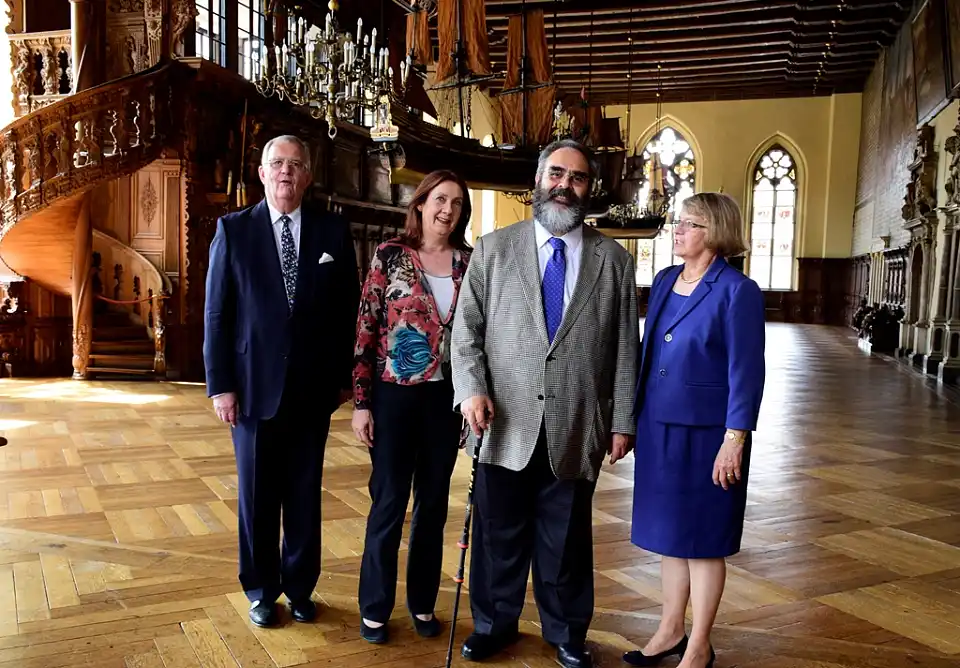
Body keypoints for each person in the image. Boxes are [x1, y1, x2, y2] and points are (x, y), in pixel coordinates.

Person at [451, 139, 639, 668]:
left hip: (577, 423)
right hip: (500, 421)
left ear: (590, 188)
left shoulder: (614, 261)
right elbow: (465, 333)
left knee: (567, 541)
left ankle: (567, 633)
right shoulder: (493, 249)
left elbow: (627, 348)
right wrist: (470, 389)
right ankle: (493, 625)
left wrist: (623, 420)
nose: (565, 186)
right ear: (538, 179)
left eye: (577, 178)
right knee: (498, 536)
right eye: (556, 173)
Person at [203, 134, 359, 627]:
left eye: (295, 164)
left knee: (304, 495)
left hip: (313, 390)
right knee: (257, 497)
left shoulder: (333, 232)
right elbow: (217, 315)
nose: (286, 171)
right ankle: (260, 590)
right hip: (252, 390)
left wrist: (344, 378)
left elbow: (348, 311)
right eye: (277, 163)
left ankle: (300, 588)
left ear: (307, 176)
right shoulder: (234, 230)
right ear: (262, 173)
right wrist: (220, 385)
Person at [624, 192, 765, 668]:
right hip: (658, 426)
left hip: (709, 435)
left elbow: (747, 372)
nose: (677, 230)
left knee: (703, 539)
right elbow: (649, 352)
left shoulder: (737, 291)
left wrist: (735, 438)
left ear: (715, 232)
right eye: (678, 221)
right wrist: (630, 419)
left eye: (690, 223)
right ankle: (670, 630)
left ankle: (700, 644)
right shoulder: (666, 279)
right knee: (670, 534)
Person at [351, 170, 473, 643]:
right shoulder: (390, 255)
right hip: (393, 397)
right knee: (388, 503)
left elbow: (477, 337)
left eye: (457, 203)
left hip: (446, 400)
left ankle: (422, 602)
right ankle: (375, 607)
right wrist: (362, 404)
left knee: (433, 505)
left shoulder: (469, 263)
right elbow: (365, 330)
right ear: (420, 204)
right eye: (440, 199)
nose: (448, 210)